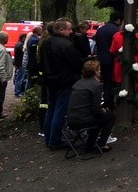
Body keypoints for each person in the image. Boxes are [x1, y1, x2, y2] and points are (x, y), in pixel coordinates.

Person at [39, 18, 85, 149]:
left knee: (51, 110)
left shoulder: (46, 43)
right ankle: (54, 140)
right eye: (69, 29)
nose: (71, 32)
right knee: (59, 111)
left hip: (50, 81)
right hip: (64, 82)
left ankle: (49, 139)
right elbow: (77, 63)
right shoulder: (65, 45)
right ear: (61, 30)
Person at [65, 60, 115, 152]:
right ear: (95, 72)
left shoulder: (78, 83)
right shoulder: (96, 85)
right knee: (110, 116)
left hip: (71, 119)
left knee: (99, 118)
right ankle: (101, 144)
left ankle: (90, 143)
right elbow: (96, 109)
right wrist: (103, 110)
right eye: (99, 69)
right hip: (84, 119)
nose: (100, 71)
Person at [93, 11, 123, 110]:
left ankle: (105, 101)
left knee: (105, 82)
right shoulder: (116, 31)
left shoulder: (100, 29)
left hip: (101, 59)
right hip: (112, 59)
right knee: (111, 82)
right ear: (118, 20)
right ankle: (109, 103)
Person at [13, 33, 27, 97]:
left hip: (17, 63)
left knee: (17, 78)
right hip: (21, 63)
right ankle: (17, 92)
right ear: (23, 38)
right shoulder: (21, 45)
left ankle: (17, 92)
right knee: (19, 78)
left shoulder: (17, 43)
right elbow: (23, 54)